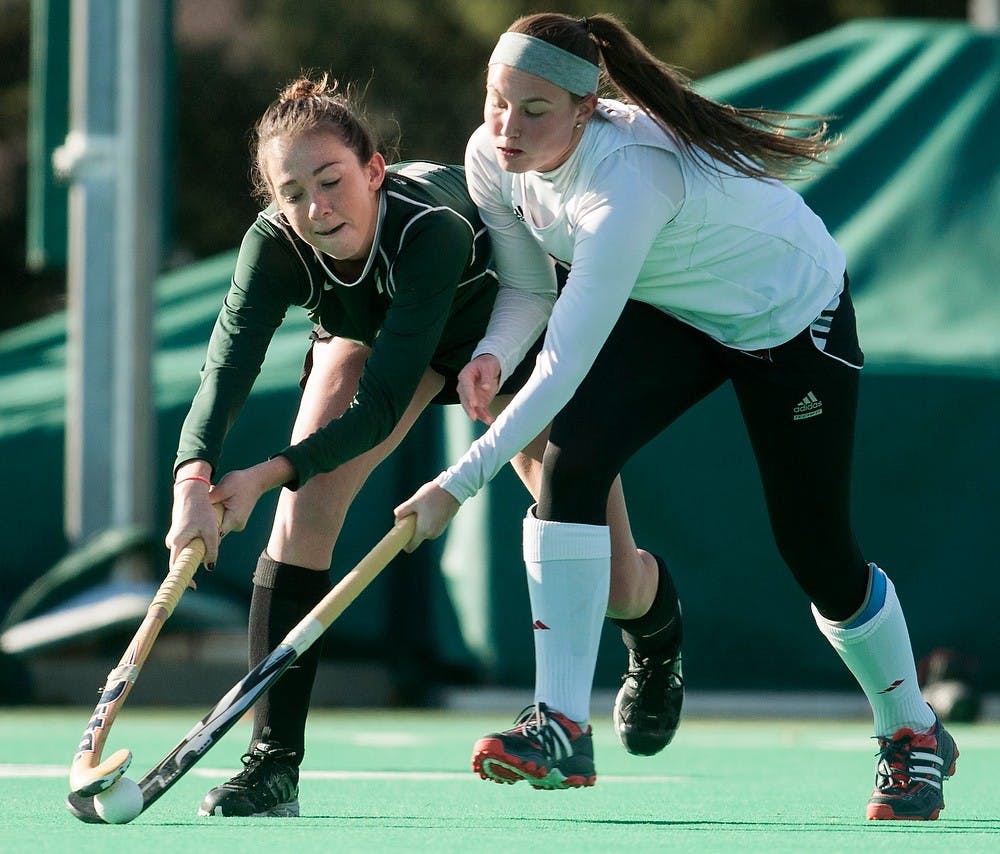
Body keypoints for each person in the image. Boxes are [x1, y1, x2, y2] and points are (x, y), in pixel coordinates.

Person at [395, 12, 959, 821]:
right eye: (496, 102)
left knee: (818, 552)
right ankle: (557, 724)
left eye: (534, 110)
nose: (506, 126)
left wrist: (459, 482)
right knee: (573, 460)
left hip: (787, 316)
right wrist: (490, 350)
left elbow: (563, 364)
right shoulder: (493, 157)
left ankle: (911, 731)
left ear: (586, 110)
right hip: (677, 307)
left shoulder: (628, 179)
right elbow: (527, 289)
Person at [166, 73, 669, 818]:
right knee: (302, 520)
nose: (316, 206)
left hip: (496, 337)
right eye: (293, 192)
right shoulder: (273, 245)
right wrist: (193, 479)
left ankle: (659, 637)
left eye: (331, 181)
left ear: (374, 171)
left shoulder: (429, 229)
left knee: (616, 578)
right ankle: (272, 763)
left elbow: (380, 409)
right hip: (371, 338)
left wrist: (266, 472)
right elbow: (226, 366)